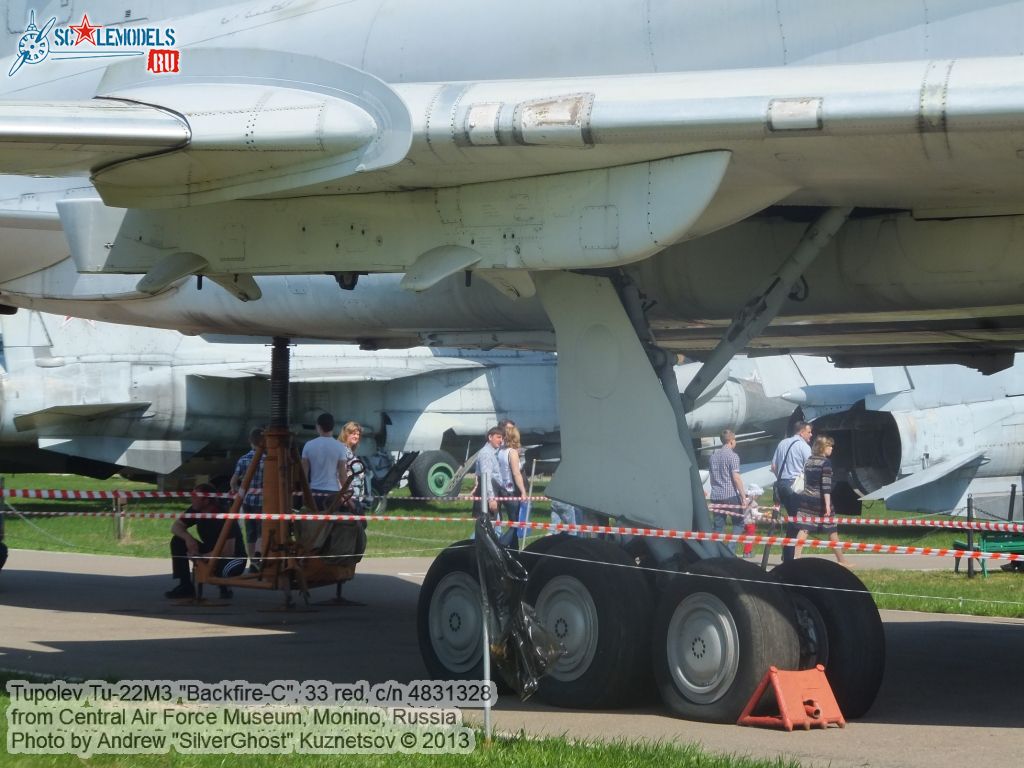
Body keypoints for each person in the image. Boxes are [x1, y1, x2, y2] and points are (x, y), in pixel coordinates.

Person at [166, 483, 241, 599]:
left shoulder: (224, 515)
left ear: (206, 501)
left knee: (223, 569)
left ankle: (224, 585)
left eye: (195, 496)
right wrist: (188, 539)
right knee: (178, 541)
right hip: (210, 552)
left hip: (233, 558)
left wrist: (202, 556)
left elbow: (228, 551)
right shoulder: (196, 509)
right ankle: (185, 586)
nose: (192, 499)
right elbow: (176, 527)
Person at [792, 435, 847, 564]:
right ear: (823, 447)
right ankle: (842, 560)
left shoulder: (809, 460)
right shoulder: (825, 463)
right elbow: (826, 486)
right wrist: (828, 505)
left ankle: (796, 558)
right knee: (832, 530)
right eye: (830, 446)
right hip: (820, 501)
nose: (832, 449)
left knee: (804, 528)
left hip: (806, 499)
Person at [771, 420, 813, 562]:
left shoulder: (782, 443)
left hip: (781, 484)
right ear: (801, 432)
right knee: (798, 522)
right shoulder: (803, 446)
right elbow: (810, 467)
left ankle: (787, 554)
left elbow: (773, 466)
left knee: (792, 520)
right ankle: (790, 557)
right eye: (809, 432)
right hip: (795, 487)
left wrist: (781, 479)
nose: (811, 435)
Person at [230, 427, 265, 572]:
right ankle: (258, 558)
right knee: (261, 532)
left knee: (250, 531)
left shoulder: (243, 459)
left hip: (247, 501)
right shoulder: (267, 460)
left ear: (250, 441)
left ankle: (252, 563)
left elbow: (233, 482)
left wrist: (238, 492)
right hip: (263, 501)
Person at [708, 429, 747, 552]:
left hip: (716, 495)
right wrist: (743, 496)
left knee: (718, 526)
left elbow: (712, 478)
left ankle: (716, 551)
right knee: (739, 522)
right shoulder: (733, 456)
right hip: (730, 495)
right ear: (731, 441)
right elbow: (736, 478)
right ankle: (730, 551)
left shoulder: (713, 457)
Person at [301, 412, 349, 511]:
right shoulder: (340, 447)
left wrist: (304, 493)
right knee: (331, 525)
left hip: (314, 492)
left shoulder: (308, 445)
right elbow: (342, 475)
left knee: (314, 524)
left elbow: (303, 473)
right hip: (333, 492)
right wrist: (347, 494)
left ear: (318, 426)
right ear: (333, 427)